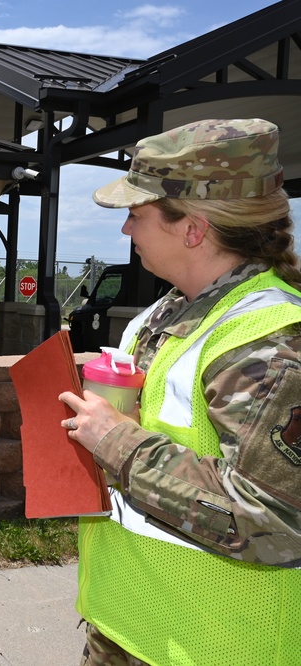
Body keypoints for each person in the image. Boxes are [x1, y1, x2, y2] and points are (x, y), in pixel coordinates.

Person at [59, 118, 301, 665]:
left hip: (220, 646)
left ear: (193, 228)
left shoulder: (272, 341)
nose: (126, 231)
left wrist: (117, 443)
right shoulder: (162, 315)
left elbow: (277, 522)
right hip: (129, 625)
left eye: (136, 214)